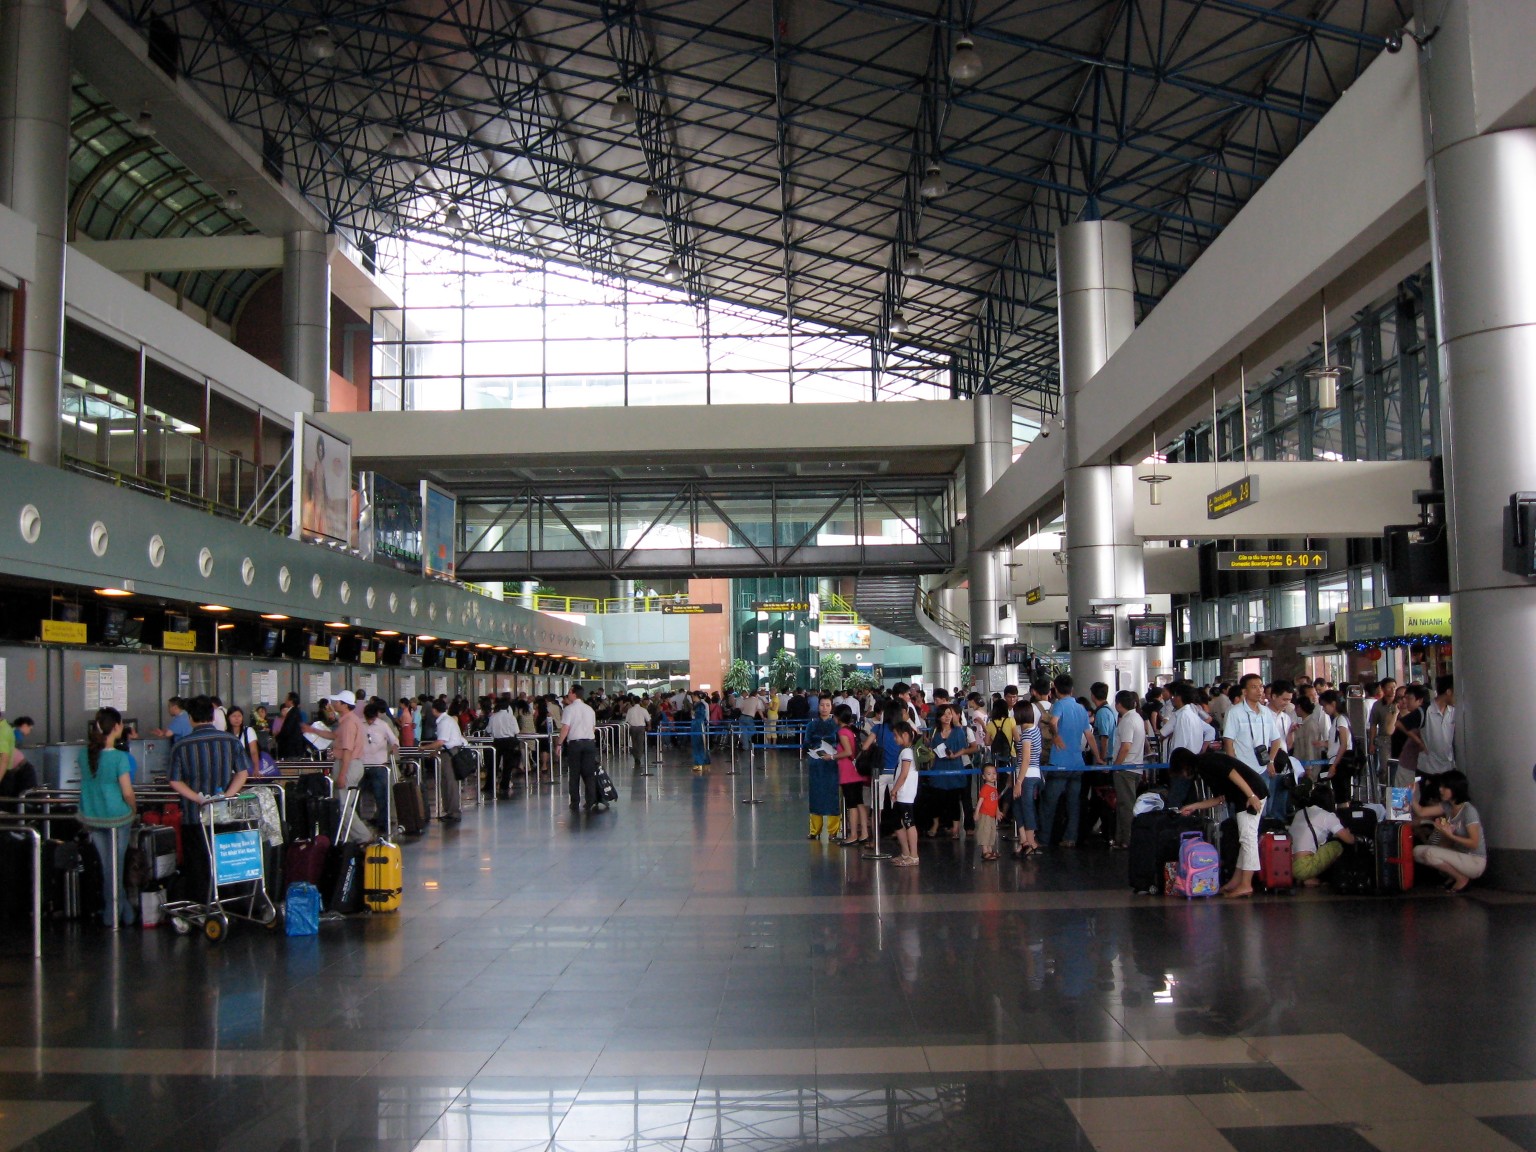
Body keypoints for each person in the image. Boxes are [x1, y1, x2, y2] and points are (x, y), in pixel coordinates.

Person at [167, 695, 249, 900]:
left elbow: (175, 781)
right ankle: (230, 903)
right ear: (213, 716)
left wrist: (198, 798)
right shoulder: (230, 741)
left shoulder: (181, 746)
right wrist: (225, 796)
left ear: (190, 718)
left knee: (198, 864)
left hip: (194, 817)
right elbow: (242, 773)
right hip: (225, 815)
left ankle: (203, 905)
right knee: (227, 862)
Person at [1173, 747, 1268, 899]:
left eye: (1181, 771)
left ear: (1184, 765)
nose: (1183, 775)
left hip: (1251, 795)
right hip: (1245, 796)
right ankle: (1237, 882)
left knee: (1248, 839)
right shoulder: (1204, 767)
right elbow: (1220, 799)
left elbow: (1232, 772)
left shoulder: (1206, 762)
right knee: (1245, 840)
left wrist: (1251, 795)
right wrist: (1193, 807)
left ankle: (1246, 884)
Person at [77, 707, 136, 927]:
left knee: (106, 866)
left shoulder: (84, 754)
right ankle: (115, 915)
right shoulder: (120, 757)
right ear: (117, 726)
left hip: (92, 815)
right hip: (117, 817)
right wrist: (133, 810)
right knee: (116, 867)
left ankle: (122, 912)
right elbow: (127, 792)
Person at [1039, 674, 1098, 849]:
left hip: (1059, 763)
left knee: (1049, 802)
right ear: (1072, 689)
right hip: (1078, 763)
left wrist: (1056, 736)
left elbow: (1054, 722)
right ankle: (1070, 838)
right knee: (1074, 803)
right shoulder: (1081, 709)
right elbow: (1089, 736)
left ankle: (1043, 838)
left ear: (1055, 690)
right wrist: (1099, 757)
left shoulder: (1058, 705)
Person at [1411, 770, 1484, 891]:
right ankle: (1455, 876)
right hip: (1460, 856)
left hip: (1474, 860)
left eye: (1445, 787)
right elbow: (1421, 812)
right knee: (1417, 852)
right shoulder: (1447, 806)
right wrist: (1411, 796)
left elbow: (1474, 843)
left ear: (1455, 788)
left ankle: (1461, 879)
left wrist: (1450, 836)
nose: (1440, 789)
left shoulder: (1468, 811)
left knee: (1430, 853)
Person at [924, 703, 975, 840]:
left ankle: (956, 828)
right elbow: (932, 749)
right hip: (939, 768)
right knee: (936, 799)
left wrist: (955, 755)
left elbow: (964, 748)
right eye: (944, 714)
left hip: (955, 768)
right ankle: (936, 824)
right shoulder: (935, 732)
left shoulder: (958, 731)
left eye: (949, 714)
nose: (947, 717)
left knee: (954, 800)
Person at [1288, 784, 1356, 886]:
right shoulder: (1328, 816)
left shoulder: (1300, 813)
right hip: (1304, 867)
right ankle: (1329, 878)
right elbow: (1349, 840)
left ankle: (1305, 879)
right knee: (1336, 846)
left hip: (1288, 866)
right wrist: (1349, 834)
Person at [1109, 690, 1146, 851]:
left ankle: (1126, 839)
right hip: (1136, 766)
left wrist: (1116, 766)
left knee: (1125, 805)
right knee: (1126, 804)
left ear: (1119, 704)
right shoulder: (1137, 717)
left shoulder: (1127, 720)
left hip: (1125, 768)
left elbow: (1125, 746)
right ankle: (1121, 838)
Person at [419, 699, 466, 823]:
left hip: (450, 754)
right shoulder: (447, 720)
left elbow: (441, 741)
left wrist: (424, 748)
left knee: (450, 782)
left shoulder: (444, 722)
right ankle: (450, 811)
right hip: (449, 751)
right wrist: (434, 751)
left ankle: (453, 812)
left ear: (434, 710)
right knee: (446, 782)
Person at [559, 685, 602, 811]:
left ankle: (575, 801)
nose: (567, 695)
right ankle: (590, 800)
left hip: (575, 744)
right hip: (589, 743)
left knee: (574, 773)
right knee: (589, 773)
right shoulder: (590, 709)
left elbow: (565, 728)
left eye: (569, 692)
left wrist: (559, 744)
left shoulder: (569, 709)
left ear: (573, 694)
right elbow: (593, 728)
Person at [804, 698, 841, 841]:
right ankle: (815, 829)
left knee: (832, 796)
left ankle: (833, 830)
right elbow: (806, 743)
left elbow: (841, 743)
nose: (824, 708)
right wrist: (814, 749)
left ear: (832, 707)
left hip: (832, 764)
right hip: (816, 763)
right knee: (816, 795)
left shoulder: (836, 725)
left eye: (827, 705)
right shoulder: (811, 725)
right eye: (822, 705)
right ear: (818, 706)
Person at [1011, 699, 1043, 857]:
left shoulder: (1027, 734)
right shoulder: (1034, 730)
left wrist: (1018, 782)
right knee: (1018, 806)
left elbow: (1026, 758)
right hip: (1033, 773)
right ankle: (1024, 841)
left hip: (1026, 775)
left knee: (1026, 808)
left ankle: (1031, 843)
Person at [834, 705, 869, 847]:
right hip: (857, 771)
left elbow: (848, 752)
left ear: (837, 717)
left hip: (848, 772)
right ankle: (864, 833)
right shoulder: (853, 730)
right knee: (859, 802)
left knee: (851, 804)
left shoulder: (842, 732)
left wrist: (832, 756)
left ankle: (853, 834)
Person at [889, 722, 920, 867]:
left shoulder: (907, 752)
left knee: (909, 823)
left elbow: (904, 773)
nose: (895, 739)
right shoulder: (907, 751)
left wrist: (895, 789)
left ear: (905, 735)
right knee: (897, 821)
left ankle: (913, 855)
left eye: (896, 735)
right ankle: (906, 853)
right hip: (902, 793)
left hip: (905, 793)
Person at [1420, 675, 1456, 779]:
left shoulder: (1453, 711)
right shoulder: (1424, 711)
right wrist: (1419, 743)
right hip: (1425, 768)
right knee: (1402, 794)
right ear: (1449, 691)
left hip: (1446, 767)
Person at [488, 697, 519, 797]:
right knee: (507, 765)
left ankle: (491, 783)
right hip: (509, 741)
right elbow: (516, 731)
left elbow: (488, 730)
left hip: (497, 742)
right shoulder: (511, 717)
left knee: (494, 764)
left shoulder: (493, 717)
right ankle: (504, 784)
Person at [225, 704, 262, 778]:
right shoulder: (225, 734)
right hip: (230, 771)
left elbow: (254, 751)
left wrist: (256, 769)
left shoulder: (248, 731)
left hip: (246, 769)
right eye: (233, 716)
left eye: (239, 716)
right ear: (228, 718)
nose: (237, 718)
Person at [975, 764, 1002, 862]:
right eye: (989, 774)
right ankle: (985, 851)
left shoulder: (994, 788)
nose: (993, 776)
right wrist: (977, 812)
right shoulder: (985, 788)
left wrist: (997, 811)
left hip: (992, 815)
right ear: (984, 776)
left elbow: (995, 802)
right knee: (985, 832)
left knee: (991, 832)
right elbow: (980, 801)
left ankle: (990, 850)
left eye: (994, 773)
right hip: (985, 814)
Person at [625, 696, 650, 772]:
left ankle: (636, 756)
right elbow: (648, 719)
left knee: (634, 742)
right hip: (641, 728)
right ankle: (639, 756)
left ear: (633, 701)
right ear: (640, 701)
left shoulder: (630, 710)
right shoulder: (643, 710)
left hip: (633, 728)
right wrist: (649, 726)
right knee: (640, 742)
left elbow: (627, 720)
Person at [689, 691, 712, 771]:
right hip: (695, 724)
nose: (692, 697)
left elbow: (701, 715)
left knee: (699, 743)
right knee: (696, 744)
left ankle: (700, 762)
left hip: (698, 725)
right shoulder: (696, 705)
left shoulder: (701, 705)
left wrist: (694, 713)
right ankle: (700, 762)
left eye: (693, 696)